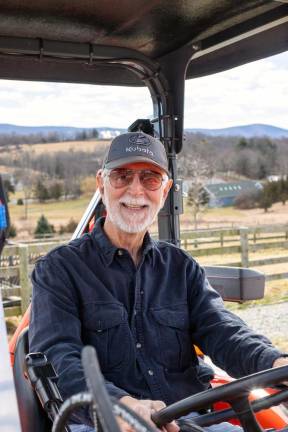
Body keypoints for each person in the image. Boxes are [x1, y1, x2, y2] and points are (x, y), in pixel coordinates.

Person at [29, 132, 288, 432]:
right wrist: (122, 406)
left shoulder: (181, 267)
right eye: (122, 176)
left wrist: (273, 363)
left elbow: (222, 330)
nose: (136, 191)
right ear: (101, 184)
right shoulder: (59, 270)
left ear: (165, 191)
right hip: (103, 423)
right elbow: (59, 359)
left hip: (190, 420)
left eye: (150, 178)